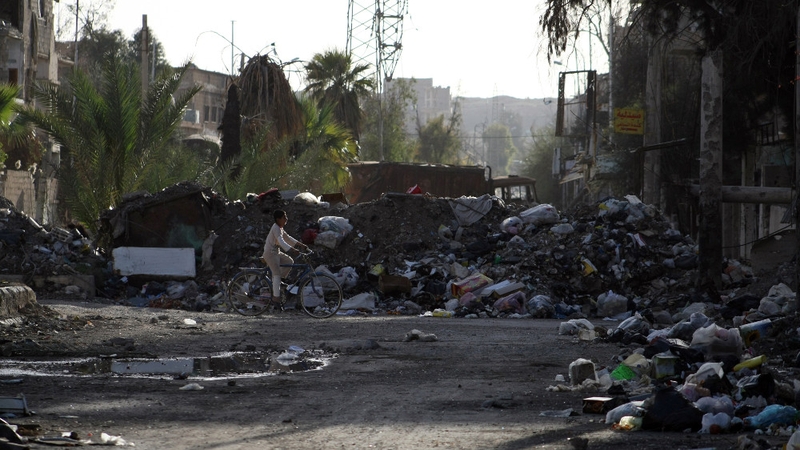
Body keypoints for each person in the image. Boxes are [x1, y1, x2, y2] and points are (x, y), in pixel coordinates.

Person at [261, 210, 309, 301]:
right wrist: (292, 249)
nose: (286, 219)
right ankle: (276, 297)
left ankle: (278, 283)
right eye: (284, 217)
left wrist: (301, 245)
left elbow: (287, 237)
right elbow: (281, 241)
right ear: (278, 219)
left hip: (276, 252)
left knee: (289, 261)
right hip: (270, 253)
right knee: (276, 274)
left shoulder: (280, 228)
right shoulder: (275, 228)